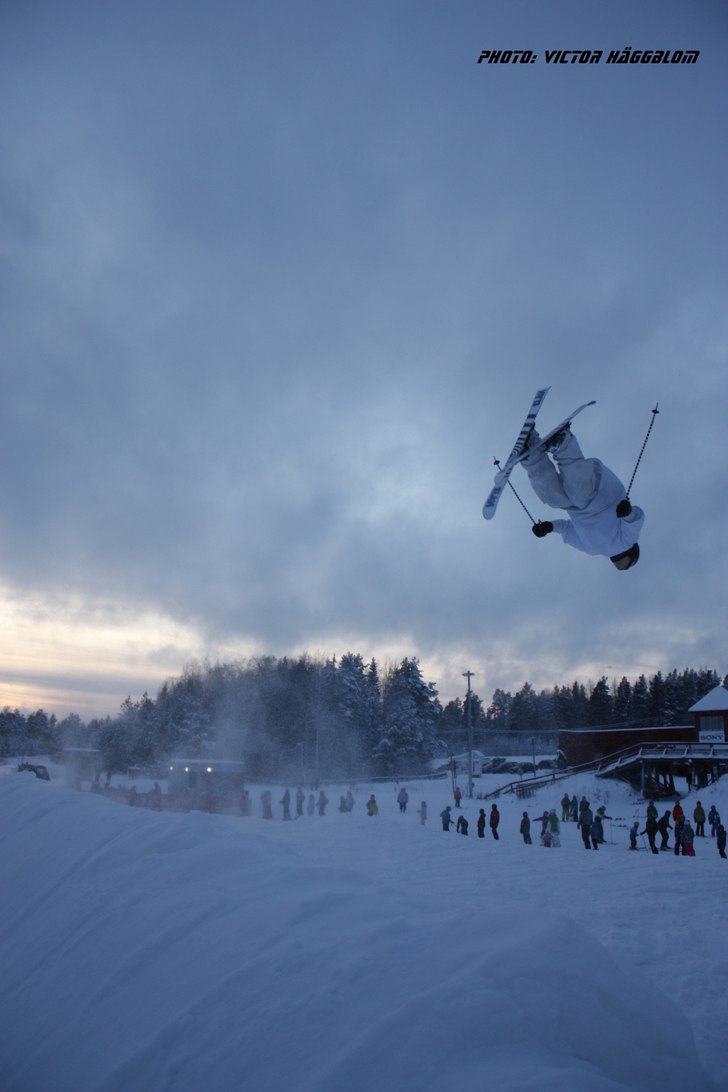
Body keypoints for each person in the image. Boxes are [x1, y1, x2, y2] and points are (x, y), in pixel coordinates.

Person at [522, 425, 644, 570]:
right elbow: (635, 521)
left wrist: (549, 527)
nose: (620, 565)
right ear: (632, 553)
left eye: (620, 567)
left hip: (576, 508)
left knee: (553, 498)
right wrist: (627, 512)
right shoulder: (627, 541)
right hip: (601, 495)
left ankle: (531, 454)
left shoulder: (591, 549)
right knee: (580, 493)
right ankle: (563, 443)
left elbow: (567, 530)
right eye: (627, 564)